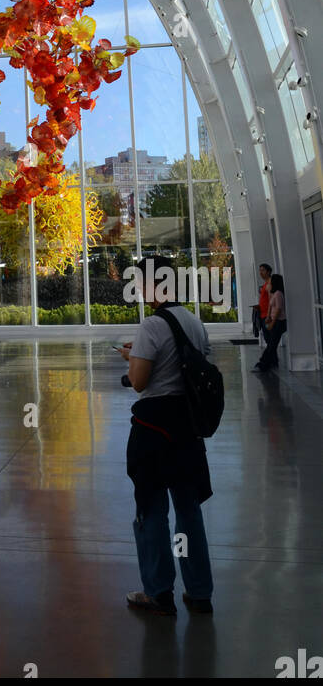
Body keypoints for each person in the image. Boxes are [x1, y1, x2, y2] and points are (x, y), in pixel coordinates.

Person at [118, 256, 215, 617]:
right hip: (188, 429)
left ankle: (158, 592)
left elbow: (140, 382)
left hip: (154, 430)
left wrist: (132, 357)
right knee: (188, 510)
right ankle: (200, 591)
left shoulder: (152, 326)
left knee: (152, 508)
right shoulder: (194, 322)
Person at [254, 272, 286, 373]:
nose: (269, 284)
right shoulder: (275, 293)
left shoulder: (278, 294)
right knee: (272, 344)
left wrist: (272, 322)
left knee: (272, 345)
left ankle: (264, 364)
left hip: (279, 322)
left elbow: (278, 309)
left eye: (271, 282)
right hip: (274, 321)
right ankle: (267, 363)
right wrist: (268, 317)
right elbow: (271, 306)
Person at [253, 263, 271, 340]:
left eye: (263, 270)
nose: (260, 273)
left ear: (268, 272)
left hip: (267, 316)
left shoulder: (270, 284)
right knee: (267, 338)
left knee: (269, 338)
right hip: (263, 315)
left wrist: (269, 315)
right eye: (260, 270)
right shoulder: (265, 284)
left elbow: (271, 300)